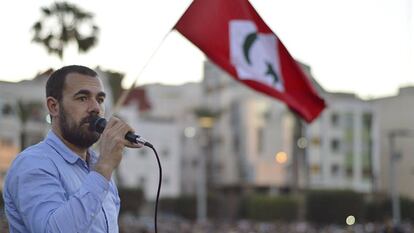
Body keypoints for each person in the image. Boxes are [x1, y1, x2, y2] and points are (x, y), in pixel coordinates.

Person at [3, 65, 141, 233]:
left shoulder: (97, 166)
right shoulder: (32, 163)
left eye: (100, 99)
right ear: (54, 106)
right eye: (82, 98)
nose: (95, 108)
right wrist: (104, 167)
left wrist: (102, 167)